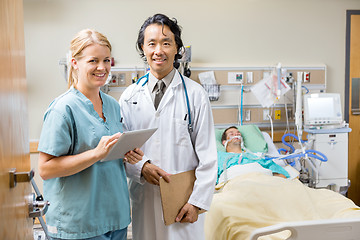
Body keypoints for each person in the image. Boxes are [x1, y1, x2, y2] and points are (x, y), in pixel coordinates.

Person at [38, 29, 143, 240]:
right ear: (75, 63)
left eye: (106, 60)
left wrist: (125, 152)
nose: (102, 67)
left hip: (116, 217)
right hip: (78, 224)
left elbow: (107, 154)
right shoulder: (62, 109)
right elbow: (46, 169)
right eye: (93, 60)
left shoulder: (113, 106)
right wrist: (96, 154)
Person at [119, 13, 218, 240]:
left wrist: (197, 202)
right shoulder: (129, 97)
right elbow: (121, 151)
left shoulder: (195, 95)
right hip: (144, 198)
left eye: (166, 43)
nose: (158, 50)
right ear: (142, 48)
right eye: (151, 43)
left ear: (177, 49)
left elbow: (209, 157)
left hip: (183, 203)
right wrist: (141, 167)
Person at [218, 126, 288, 183]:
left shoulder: (255, 156)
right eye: (231, 134)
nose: (236, 134)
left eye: (238, 133)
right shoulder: (220, 156)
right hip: (234, 180)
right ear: (224, 142)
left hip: (261, 180)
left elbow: (278, 173)